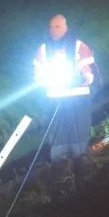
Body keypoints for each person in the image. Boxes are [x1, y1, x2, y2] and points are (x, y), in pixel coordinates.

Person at [33, 14, 96, 161]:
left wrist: (85, 77)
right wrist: (45, 81)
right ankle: (60, 166)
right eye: (51, 27)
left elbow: (88, 69)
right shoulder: (43, 49)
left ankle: (81, 161)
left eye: (57, 27)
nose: (53, 30)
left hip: (78, 98)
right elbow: (37, 74)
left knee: (78, 131)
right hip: (55, 99)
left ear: (66, 28)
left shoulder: (78, 46)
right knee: (58, 134)